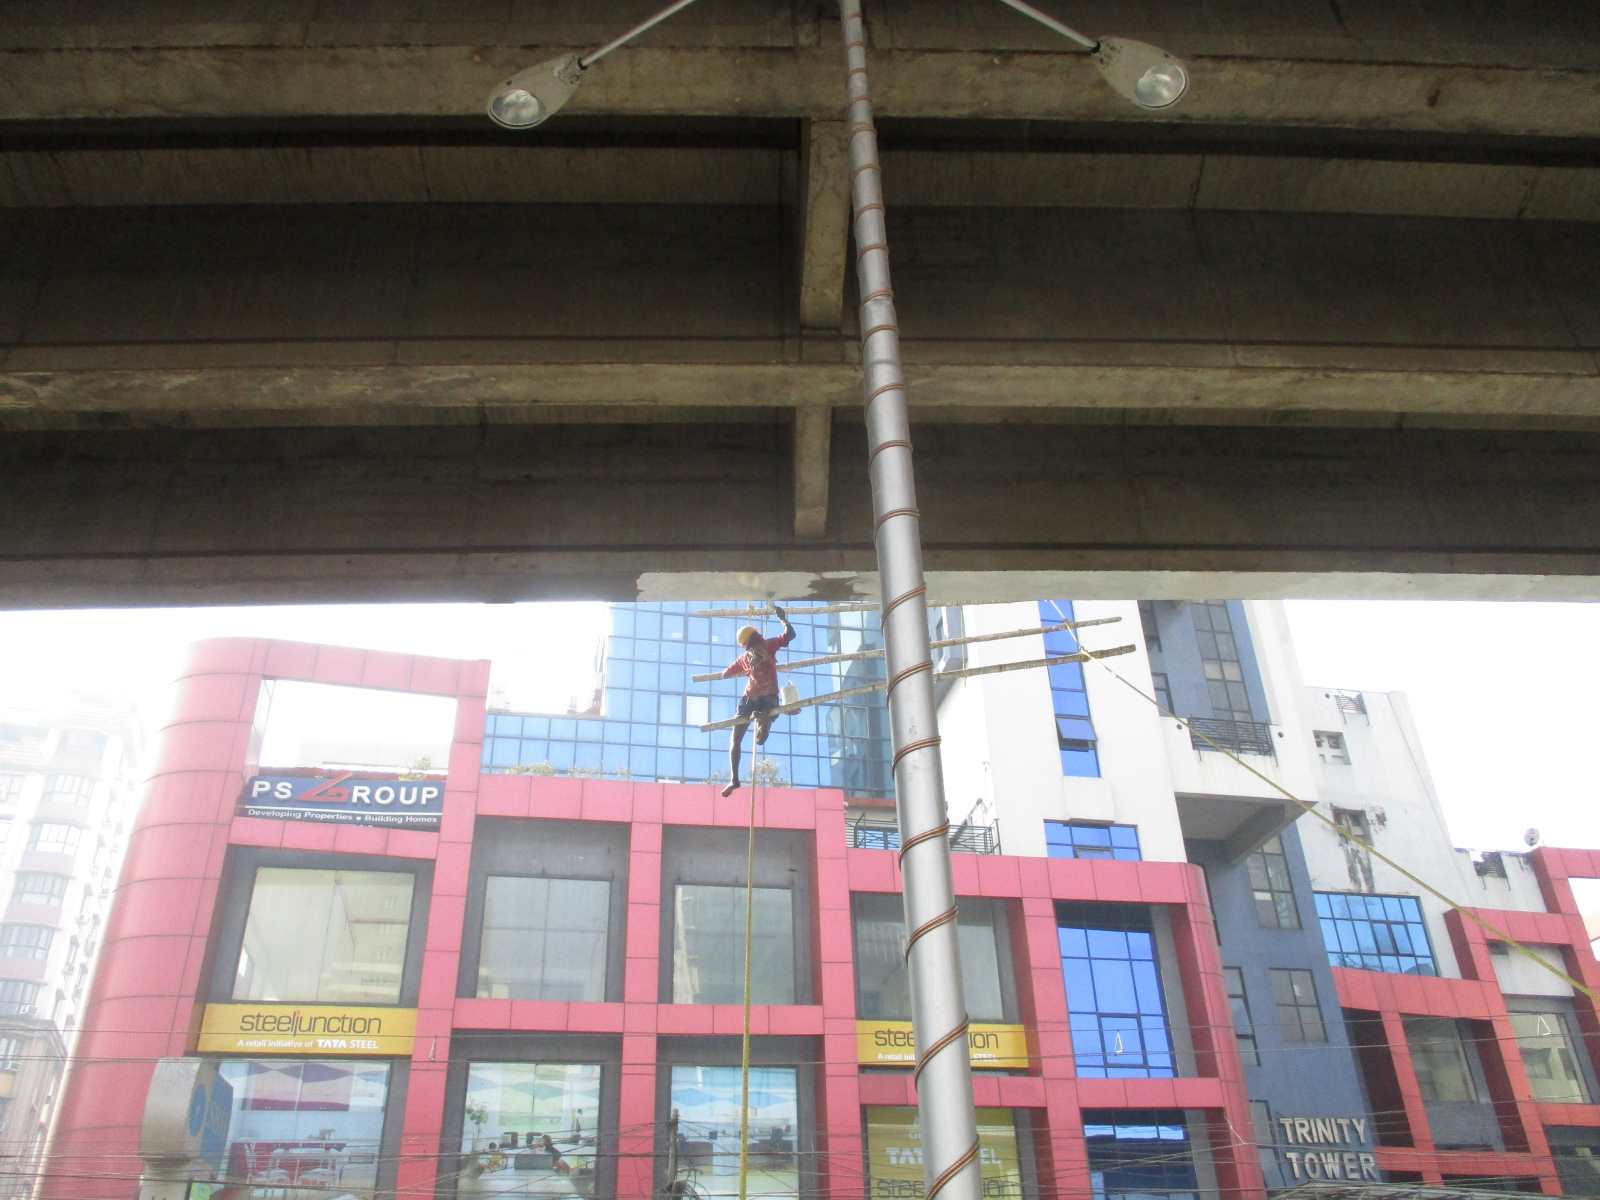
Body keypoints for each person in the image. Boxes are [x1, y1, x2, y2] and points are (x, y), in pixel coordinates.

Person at [718, 605, 795, 797]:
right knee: (764, 715)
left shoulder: (745, 657)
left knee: (735, 739)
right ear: (757, 636)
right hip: (766, 699)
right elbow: (790, 635)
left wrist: (726, 673)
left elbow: (726, 674)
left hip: (753, 699)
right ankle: (763, 721)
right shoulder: (768, 646)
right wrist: (783, 619)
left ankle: (734, 779)